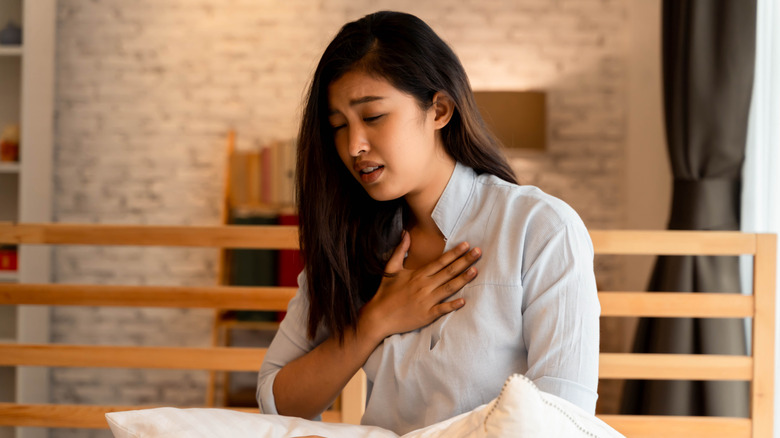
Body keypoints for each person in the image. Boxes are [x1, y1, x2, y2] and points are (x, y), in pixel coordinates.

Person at [257, 10, 600, 435]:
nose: (354, 145)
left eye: (373, 116)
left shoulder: (542, 229)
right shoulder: (350, 241)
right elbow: (277, 399)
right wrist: (375, 322)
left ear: (439, 110)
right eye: (338, 126)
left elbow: (566, 420)